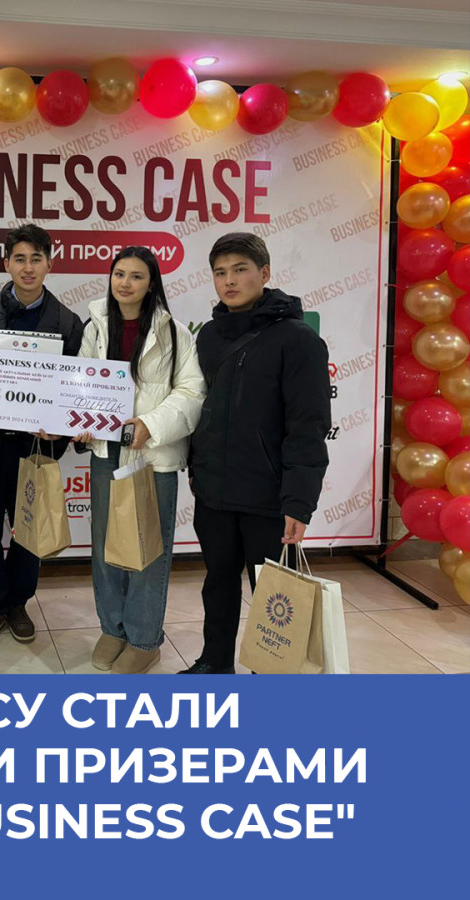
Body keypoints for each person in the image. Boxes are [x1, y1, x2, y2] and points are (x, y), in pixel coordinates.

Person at [183, 232, 331, 674]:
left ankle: (271, 673)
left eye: (240, 270)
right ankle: (214, 663)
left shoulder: (297, 339)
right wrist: (198, 468)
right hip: (214, 492)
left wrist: (299, 502)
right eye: (220, 272)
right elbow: (199, 406)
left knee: (273, 595)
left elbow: (308, 426)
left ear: (264, 273)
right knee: (218, 583)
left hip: (269, 496)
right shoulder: (209, 336)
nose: (229, 281)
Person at [0, 223, 84, 655]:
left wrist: (60, 427)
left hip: (34, 449)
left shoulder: (67, 323)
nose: (28, 268)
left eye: (36, 259)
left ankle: (18, 604)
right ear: (6, 263)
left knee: (30, 532)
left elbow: (74, 389)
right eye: (20, 259)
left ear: (50, 263)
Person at [75, 247, 206, 674]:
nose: (125, 283)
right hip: (105, 451)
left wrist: (150, 424)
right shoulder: (95, 327)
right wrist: (76, 419)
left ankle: (145, 639)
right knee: (105, 547)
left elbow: (192, 392)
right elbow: (80, 384)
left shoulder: (175, 334)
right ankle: (112, 628)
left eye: (136, 276)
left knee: (147, 549)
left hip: (150, 454)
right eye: (119, 274)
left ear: (152, 284)